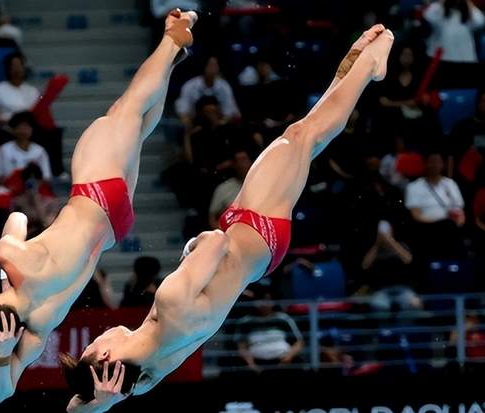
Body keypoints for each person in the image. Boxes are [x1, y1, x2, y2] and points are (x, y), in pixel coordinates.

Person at [63, 26, 394, 412]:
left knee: (306, 139)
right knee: (303, 136)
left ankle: (353, 65)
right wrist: (194, 247)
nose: (96, 337)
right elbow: (216, 242)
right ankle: (370, 66)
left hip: (257, 249)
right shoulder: (168, 303)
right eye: (92, 347)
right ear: (105, 357)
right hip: (253, 229)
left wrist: (104, 399)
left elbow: (76, 409)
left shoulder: (153, 367)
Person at [0, 10, 198, 405]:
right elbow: (16, 217)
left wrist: (4, 355)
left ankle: (170, 62)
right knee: (125, 111)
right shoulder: (11, 259)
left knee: (136, 129)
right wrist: (5, 273)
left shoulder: (37, 327)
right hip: (93, 192)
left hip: (116, 225)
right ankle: (173, 39)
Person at [404, 151, 466, 260]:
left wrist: (458, 223)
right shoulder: (414, 187)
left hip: (449, 228)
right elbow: (416, 215)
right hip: (425, 228)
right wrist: (439, 222)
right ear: (426, 164)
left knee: (451, 229)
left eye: (438, 162)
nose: (435, 165)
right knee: (446, 226)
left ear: (443, 164)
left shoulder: (451, 184)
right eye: (432, 162)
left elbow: (460, 213)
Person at [235, 286, 304, 373]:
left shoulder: (283, 319)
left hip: (283, 360)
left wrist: (288, 357)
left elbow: (299, 343)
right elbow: (242, 347)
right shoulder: (246, 322)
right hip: (256, 362)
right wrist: (251, 364)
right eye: (261, 300)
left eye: (267, 300)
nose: (264, 304)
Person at [175, 56, 241, 130]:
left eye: (215, 65)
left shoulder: (224, 86)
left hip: (218, 124)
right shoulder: (190, 86)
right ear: (204, 67)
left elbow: (228, 112)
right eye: (210, 65)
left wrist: (219, 126)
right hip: (195, 123)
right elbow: (183, 110)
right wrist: (189, 126)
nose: (213, 69)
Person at [0, 111, 52, 183]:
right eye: (20, 127)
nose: (23, 131)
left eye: (26, 127)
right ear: (13, 129)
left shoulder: (40, 152)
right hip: (9, 187)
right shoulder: (3, 150)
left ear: (32, 129)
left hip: (33, 188)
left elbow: (46, 177)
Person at [0, 53, 39, 125]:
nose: (18, 69)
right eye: (14, 65)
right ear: (8, 69)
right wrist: (11, 123)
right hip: (8, 126)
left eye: (20, 65)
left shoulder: (33, 90)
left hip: (30, 126)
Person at [209, 149, 252, 229]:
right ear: (234, 164)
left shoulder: (261, 185)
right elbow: (212, 218)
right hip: (230, 231)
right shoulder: (223, 189)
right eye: (239, 161)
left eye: (244, 159)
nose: (242, 164)